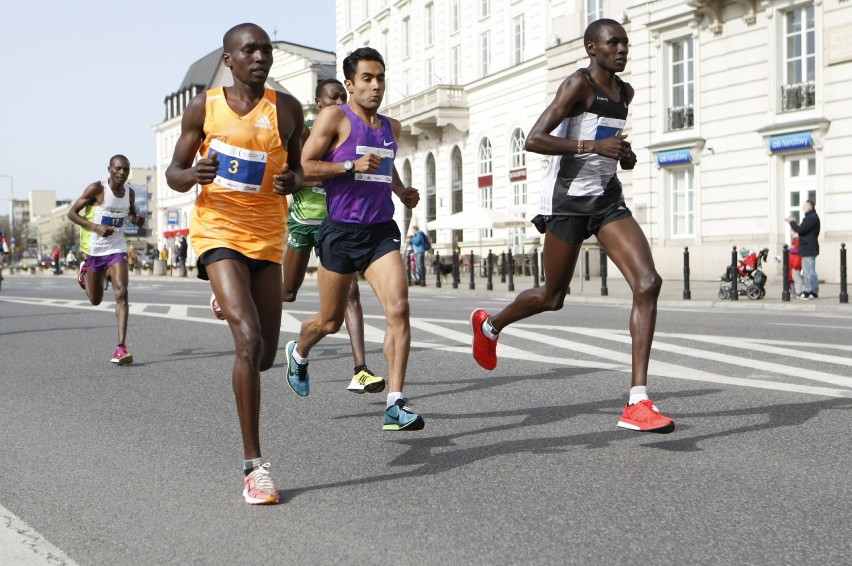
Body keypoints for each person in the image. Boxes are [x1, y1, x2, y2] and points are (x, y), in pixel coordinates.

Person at [469, 19, 674, 433]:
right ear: (591, 48)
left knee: (648, 282)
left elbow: (606, 137)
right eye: (612, 43)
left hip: (605, 199)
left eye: (625, 43)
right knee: (552, 296)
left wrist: (622, 154)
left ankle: (638, 401)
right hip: (566, 202)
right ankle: (490, 325)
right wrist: (593, 147)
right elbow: (534, 139)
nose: (622, 49)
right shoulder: (577, 85)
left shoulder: (625, 92)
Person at [165, 23, 304, 505]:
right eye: (250, 50)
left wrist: (293, 180)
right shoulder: (205, 106)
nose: (261, 56)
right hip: (218, 232)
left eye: (266, 49)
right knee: (246, 339)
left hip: (267, 238)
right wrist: (193, 174)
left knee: (264, 356)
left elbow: (300, 165)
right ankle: (254, 468)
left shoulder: (286, 109)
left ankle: (230, 295)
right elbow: (174, 173)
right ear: (230, 59)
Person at [287, 47, 424, 431]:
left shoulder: (390, 127)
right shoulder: (334, 117)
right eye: (367, 78)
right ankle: (299, 349)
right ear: (349, 84)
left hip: (380, 231)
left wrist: (400, 191)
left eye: (380, 78)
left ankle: (395, 403)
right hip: (340, 231)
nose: (376, 85)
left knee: (398, 308)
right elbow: (302, 169)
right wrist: (348, 165)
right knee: (329, 322)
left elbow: (384, 163)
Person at [282, 78, 385, 394]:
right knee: (287, 293)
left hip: (336, 223)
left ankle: (360, 370)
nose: (340, 103)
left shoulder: (350, 133)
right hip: (303, 221)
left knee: (351, 293)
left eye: (343, 97)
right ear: (318, 102)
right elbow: (291, 176)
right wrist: (329, 172)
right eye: (333, 98)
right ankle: (245, 294)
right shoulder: (305, 133)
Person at [68, 154, 146, 365]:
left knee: (122, 291)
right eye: (118, 169)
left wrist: (135, 219)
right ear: (109, 169)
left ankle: (121, 347)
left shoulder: (129, 192)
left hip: (117, 247)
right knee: (95, 300)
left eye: (126, 170)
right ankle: (85, 271)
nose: (122, 173)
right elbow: (72, 213)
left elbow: (129, 213)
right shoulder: (97, 189)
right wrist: (95, 227)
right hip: (94, 249)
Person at [787, 200, 820, 299]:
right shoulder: (810, 217)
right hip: (807, 248)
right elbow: (802, 230)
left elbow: (801, 230)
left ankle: (810, 291)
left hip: (809, 248)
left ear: (810, 207)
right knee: (808, 271)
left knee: (809, 271)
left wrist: (792, 222)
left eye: (805, 206)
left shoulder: (812, 218)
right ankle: (811, 290)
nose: (803, 208)